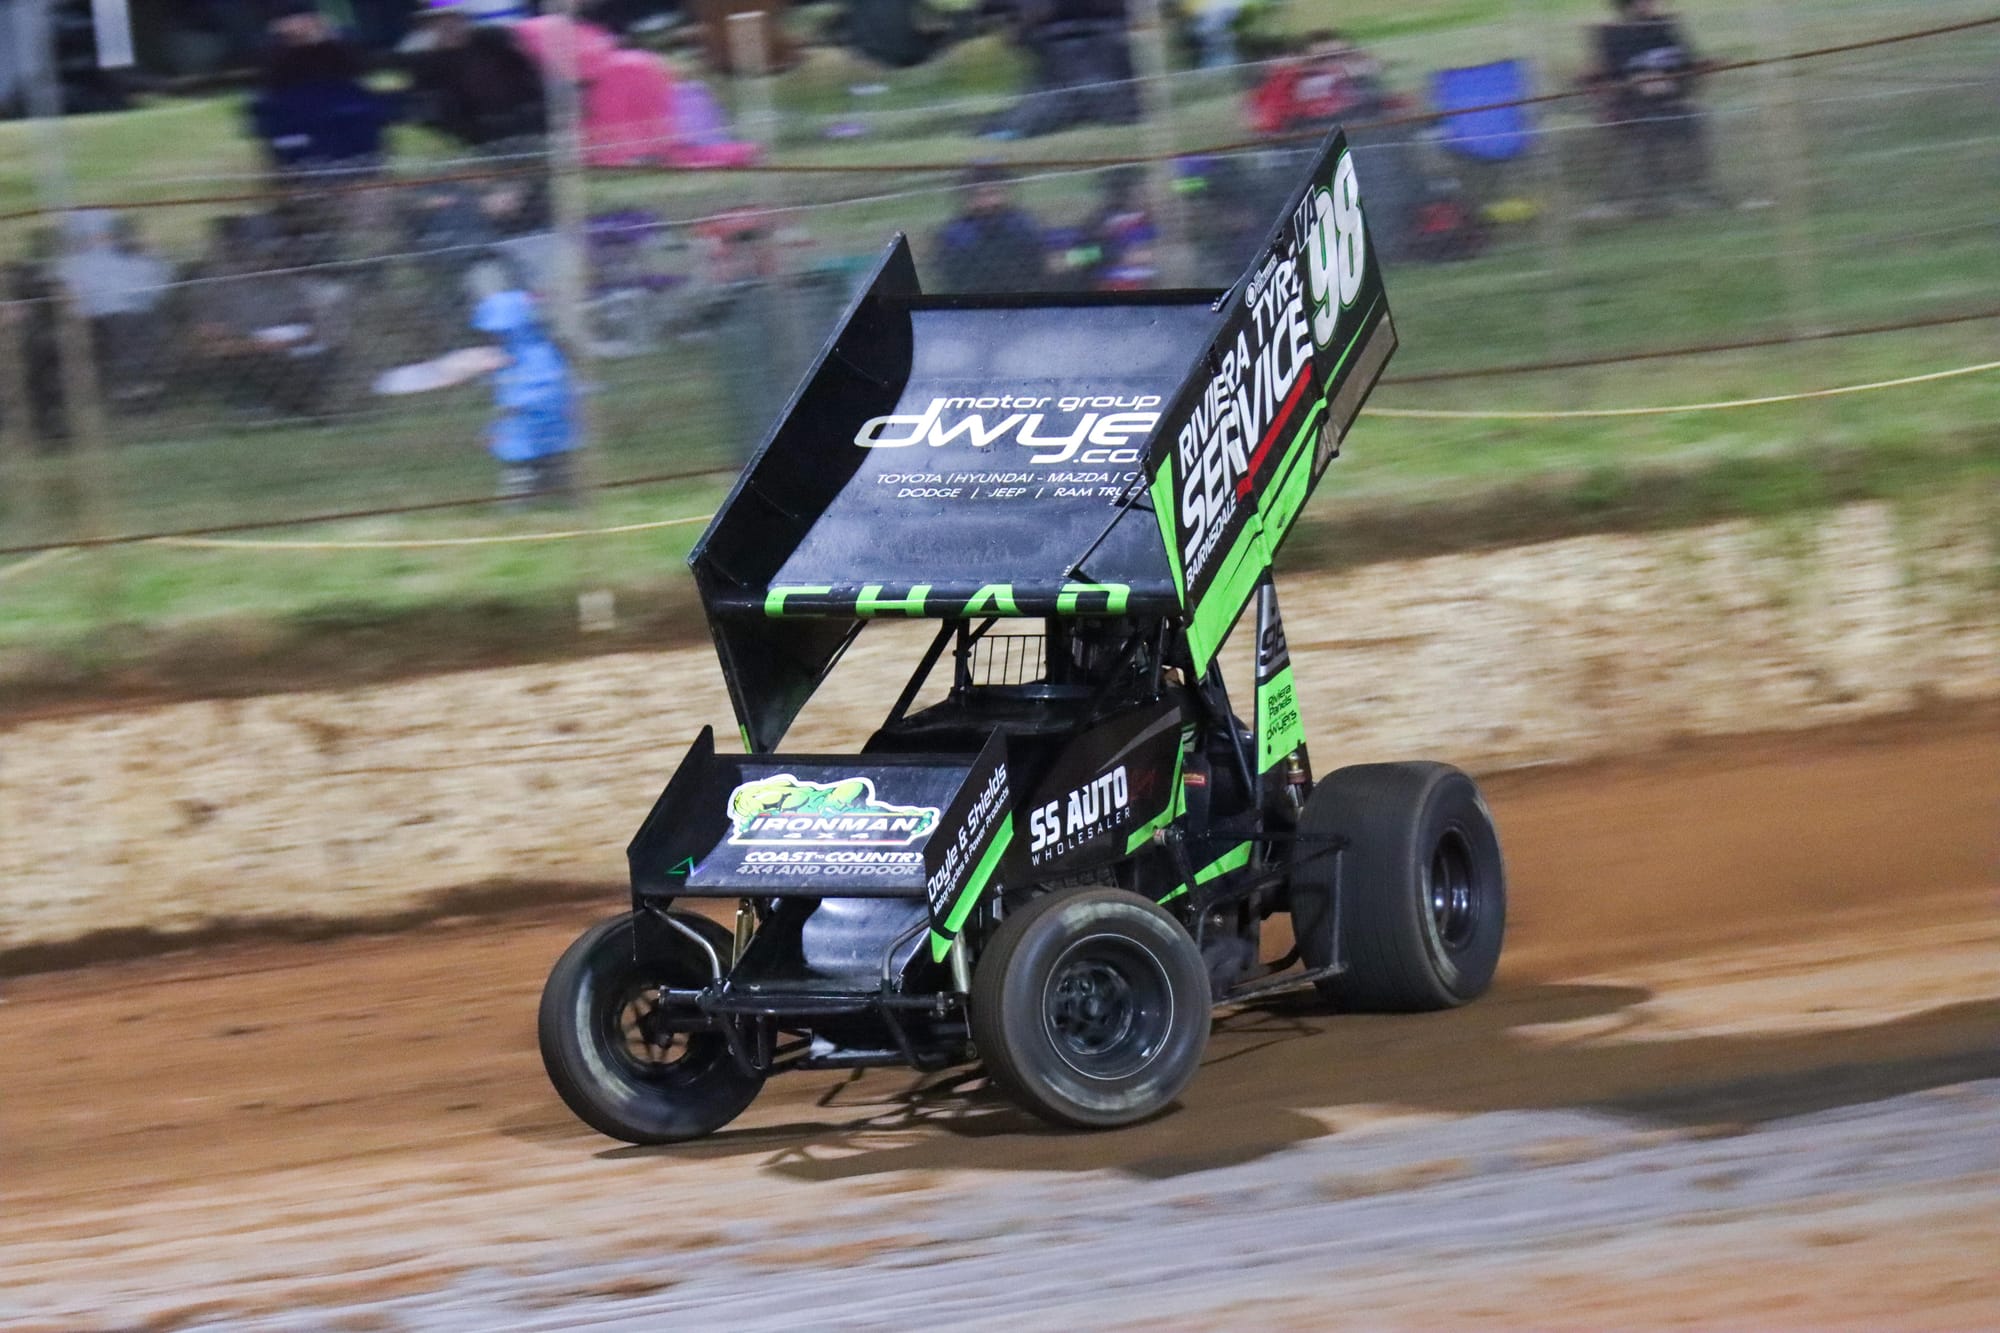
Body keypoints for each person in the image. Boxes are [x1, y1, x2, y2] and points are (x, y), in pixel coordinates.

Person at [1587, 0, 1717, 214]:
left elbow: (1688, 64)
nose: (1653, 4)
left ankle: (1697, 190)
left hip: (1674, 103)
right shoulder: (1612, 34)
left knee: (1698, 117)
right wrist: (1636, 84)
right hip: (1631, 107)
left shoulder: (1667, 26)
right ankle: (1652, 198)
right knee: (1649, 125)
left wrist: (1698, 73)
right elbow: (1605, 79)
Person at [472, 282, 577, 503]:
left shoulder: (537, 354)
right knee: (533, 462)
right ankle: (540, 490)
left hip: (534, 421)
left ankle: (543, 492)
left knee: (539, 463)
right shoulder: (510, 355)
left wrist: (508, 411)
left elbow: (545, 388)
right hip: (526, 423)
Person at [404, 6, 548, 149]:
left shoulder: (495, 44)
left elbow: (532, 87)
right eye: (439, 22)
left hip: (527, 135)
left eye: (454, 19)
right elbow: (436, 118)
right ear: (428, 27)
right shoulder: (425, 67)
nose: (449, 27)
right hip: (472, 148)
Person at [931, 164, 1050, 294]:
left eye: (993, 193)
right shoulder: (955, 236)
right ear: (968, 199)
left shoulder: (1022, 226)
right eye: (979, 195)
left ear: (1005, 193)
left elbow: (1037, 270)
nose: (987, 203)